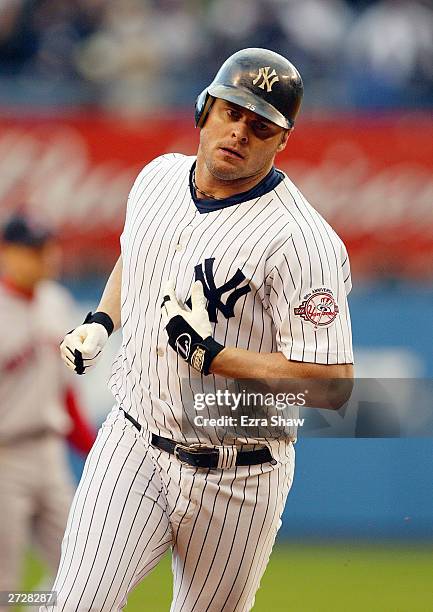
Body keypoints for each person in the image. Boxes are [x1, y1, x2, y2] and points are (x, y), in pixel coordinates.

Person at [53, 48, 354, 612]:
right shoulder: (157, 178)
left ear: (282, 141)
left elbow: (333, 385)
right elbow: (136, 254)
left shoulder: (302, 242)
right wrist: (102, 319)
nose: (240, 131)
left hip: (240, 473)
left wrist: (218, 357)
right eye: (231, 112)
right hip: (134, 441)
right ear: (204, 109)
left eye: (261, 125)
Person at [0, 214, 95, 605]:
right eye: (36, 250)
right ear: (8, 253)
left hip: (48, 452)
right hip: (4, 457)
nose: (47, 257)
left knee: (83, 567)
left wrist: (93, 450)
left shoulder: (56, 301)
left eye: (49, 248)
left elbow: (64, 391)